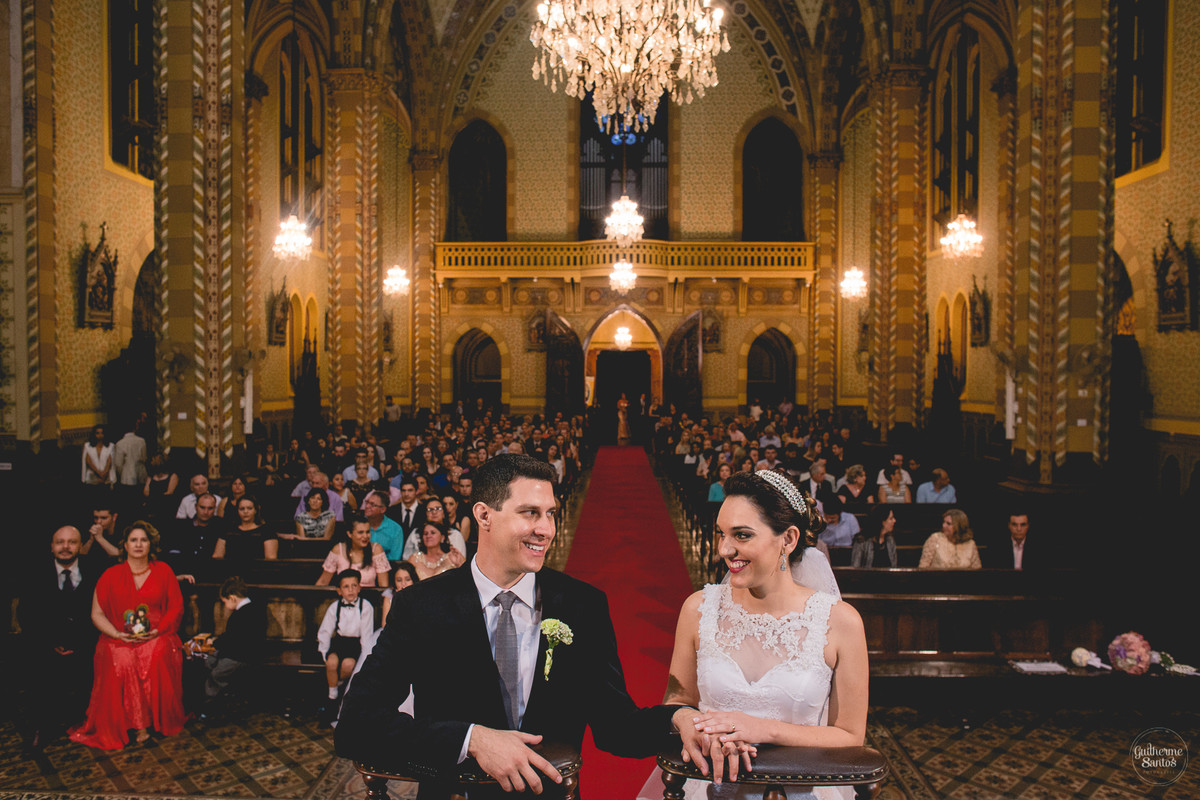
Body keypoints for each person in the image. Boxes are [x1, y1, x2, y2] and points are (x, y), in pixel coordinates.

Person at [337, 453, 690, 793]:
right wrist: (470, 739)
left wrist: (676, 719)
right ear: (484, 515)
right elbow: (356, 724)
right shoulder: (420, 605)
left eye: (550, 514)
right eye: (530, 513)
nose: (546, 529)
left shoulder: (582, 605)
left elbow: (616, 727)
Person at [657, 470, 867, 796]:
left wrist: (761, 729)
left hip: (799, 789)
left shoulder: (840, 623)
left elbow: (850, 736)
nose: (724, 549)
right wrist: (696, 727)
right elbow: (678, 702)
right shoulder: (698, 609)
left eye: (741, 535)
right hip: (713, 785)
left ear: (789, 539)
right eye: (721, 534)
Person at [69, 522, 186, 749]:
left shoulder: (164, 570)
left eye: (143, 540)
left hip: (157, 634)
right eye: (133, 540)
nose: (139, 544)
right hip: (117, 638)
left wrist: (156, 631)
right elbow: (97, 613)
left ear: (151, 544)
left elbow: (176, 608)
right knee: (123, 660)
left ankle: (155, 721)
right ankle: (137, 727)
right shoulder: (110, 575)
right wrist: (116, 634)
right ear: (125, 545)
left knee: (156, 652)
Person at [21, 527, 102, 749]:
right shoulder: (34, 573)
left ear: (80, 546)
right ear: (52, 546)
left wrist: (81, 643)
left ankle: (91, 722)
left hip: (86, 644)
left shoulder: (95, 571)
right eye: (60, 542)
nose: (65, 547)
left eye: (72, 542)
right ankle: (41, 727)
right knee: (34, 664)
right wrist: (51, 644)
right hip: (48, 645)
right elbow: (27, 616)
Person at [196, 576, 266, 716]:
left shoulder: (243, 614)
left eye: (225, 602)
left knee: (217, 673)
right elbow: (232, 636)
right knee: (209, 660)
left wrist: (215, 642)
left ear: (233, 598)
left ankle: (211, 705)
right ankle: (213, 698)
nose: (225, 605)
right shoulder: (252, 608)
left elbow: (234, 639)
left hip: (243, 656)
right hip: (239, 651)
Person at [316, 569, 375, 720]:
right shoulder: (334, 607)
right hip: (339, 642)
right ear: (339, 591)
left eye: (354, 586)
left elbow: (366, 636)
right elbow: (325, 631)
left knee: (348, 665)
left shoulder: (365, 606)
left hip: (355, 644)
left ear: (359, 588)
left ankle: (337, 684)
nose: (351, 590)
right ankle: (332, 695)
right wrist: (324, 651)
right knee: (331, 663)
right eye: (346, 587)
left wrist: (364, 657)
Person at [317, 517, 390, 588]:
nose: (365, 536)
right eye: (360, 532)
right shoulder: (338, 549)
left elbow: (384, 586)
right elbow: (323, 581)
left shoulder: (376, 549)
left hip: (369, 597)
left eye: (367, 532)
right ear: (349, 534)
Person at [212, 495, 279, 564]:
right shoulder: (228, 530)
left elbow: (270, 560)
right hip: (231, 572)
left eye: (249, 508)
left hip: (258, 571)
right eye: (242, 509)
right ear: (237, 510)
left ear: (255, 510)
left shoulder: (267, 531)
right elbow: (217, 556)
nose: (245, 511)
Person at [143, 455, 180, 525]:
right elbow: (146, 492)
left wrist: (154, 497)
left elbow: (169, 493)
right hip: (151, 507)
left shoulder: (173, 476)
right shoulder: (151, 476)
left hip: (166, 507)